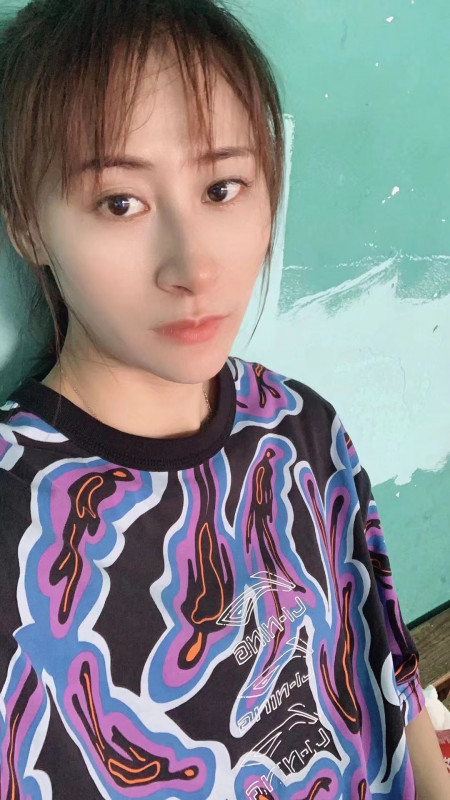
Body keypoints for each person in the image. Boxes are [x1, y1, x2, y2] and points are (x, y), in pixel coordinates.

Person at [0, 1, 448, 798]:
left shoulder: (303, 428)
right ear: (27, 225)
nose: (194, 266)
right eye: (119, 202)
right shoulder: (13, 516)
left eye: (221, 187)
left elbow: (393, 678)